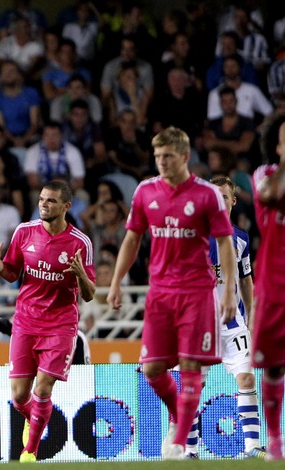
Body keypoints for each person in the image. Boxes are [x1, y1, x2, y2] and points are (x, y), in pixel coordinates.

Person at [106, 127, 237, 460]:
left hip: (195, 290)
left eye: (167, 156)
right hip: (159, 292)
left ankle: (178, 443)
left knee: (191, 364)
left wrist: (229, 292)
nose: (162, 162)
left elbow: (224, 242)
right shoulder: (145, 191)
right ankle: (181, 414)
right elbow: (132, 238)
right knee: (151, 368)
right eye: (157, 157)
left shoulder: (207, 194)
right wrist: (117, 280)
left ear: (184, 156)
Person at [0, 179, 95, 462]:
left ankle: (30, 451)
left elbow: (90, 295)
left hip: (60, 324)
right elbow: (12, 274)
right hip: (26, 322)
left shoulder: (80, 242)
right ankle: (36, 419)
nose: (44, 204)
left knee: (43, 388)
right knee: (19, 396)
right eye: (42, 199)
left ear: (66, 206)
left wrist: (80, 275)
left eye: (51, 200)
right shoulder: (24, 232)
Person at [183, 175, 265, 459]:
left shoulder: (240, 239)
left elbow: (246, 281)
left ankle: (252, 448)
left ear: (232, 201)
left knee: (246, 379)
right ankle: (190, 451)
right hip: (198, 325)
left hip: (233, 323)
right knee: (193, 387)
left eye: (224, 196)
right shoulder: (191, 235)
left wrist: (251, 318)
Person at [250, 111, 285, 461]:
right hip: (275, 284)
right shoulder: (267, 174)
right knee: (275, 366)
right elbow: (271, 196)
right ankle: (274, 441)